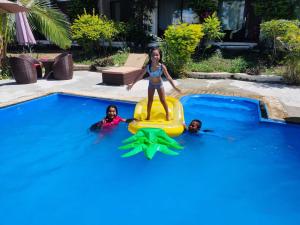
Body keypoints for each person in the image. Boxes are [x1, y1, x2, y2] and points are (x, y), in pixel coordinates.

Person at [127, 47, 181, 121]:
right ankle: (148, 115)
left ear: (160, 56)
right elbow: (140, 76)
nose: (155, 57)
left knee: (162, 100)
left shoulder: (162, 67)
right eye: (153, 55)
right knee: (150, 100)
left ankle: (167, 114)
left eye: (157, 55)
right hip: (151, 84)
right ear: (150, 56)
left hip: (159, 85)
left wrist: (175, 87)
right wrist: (132, 84)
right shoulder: (148, 67)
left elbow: (168, 77)